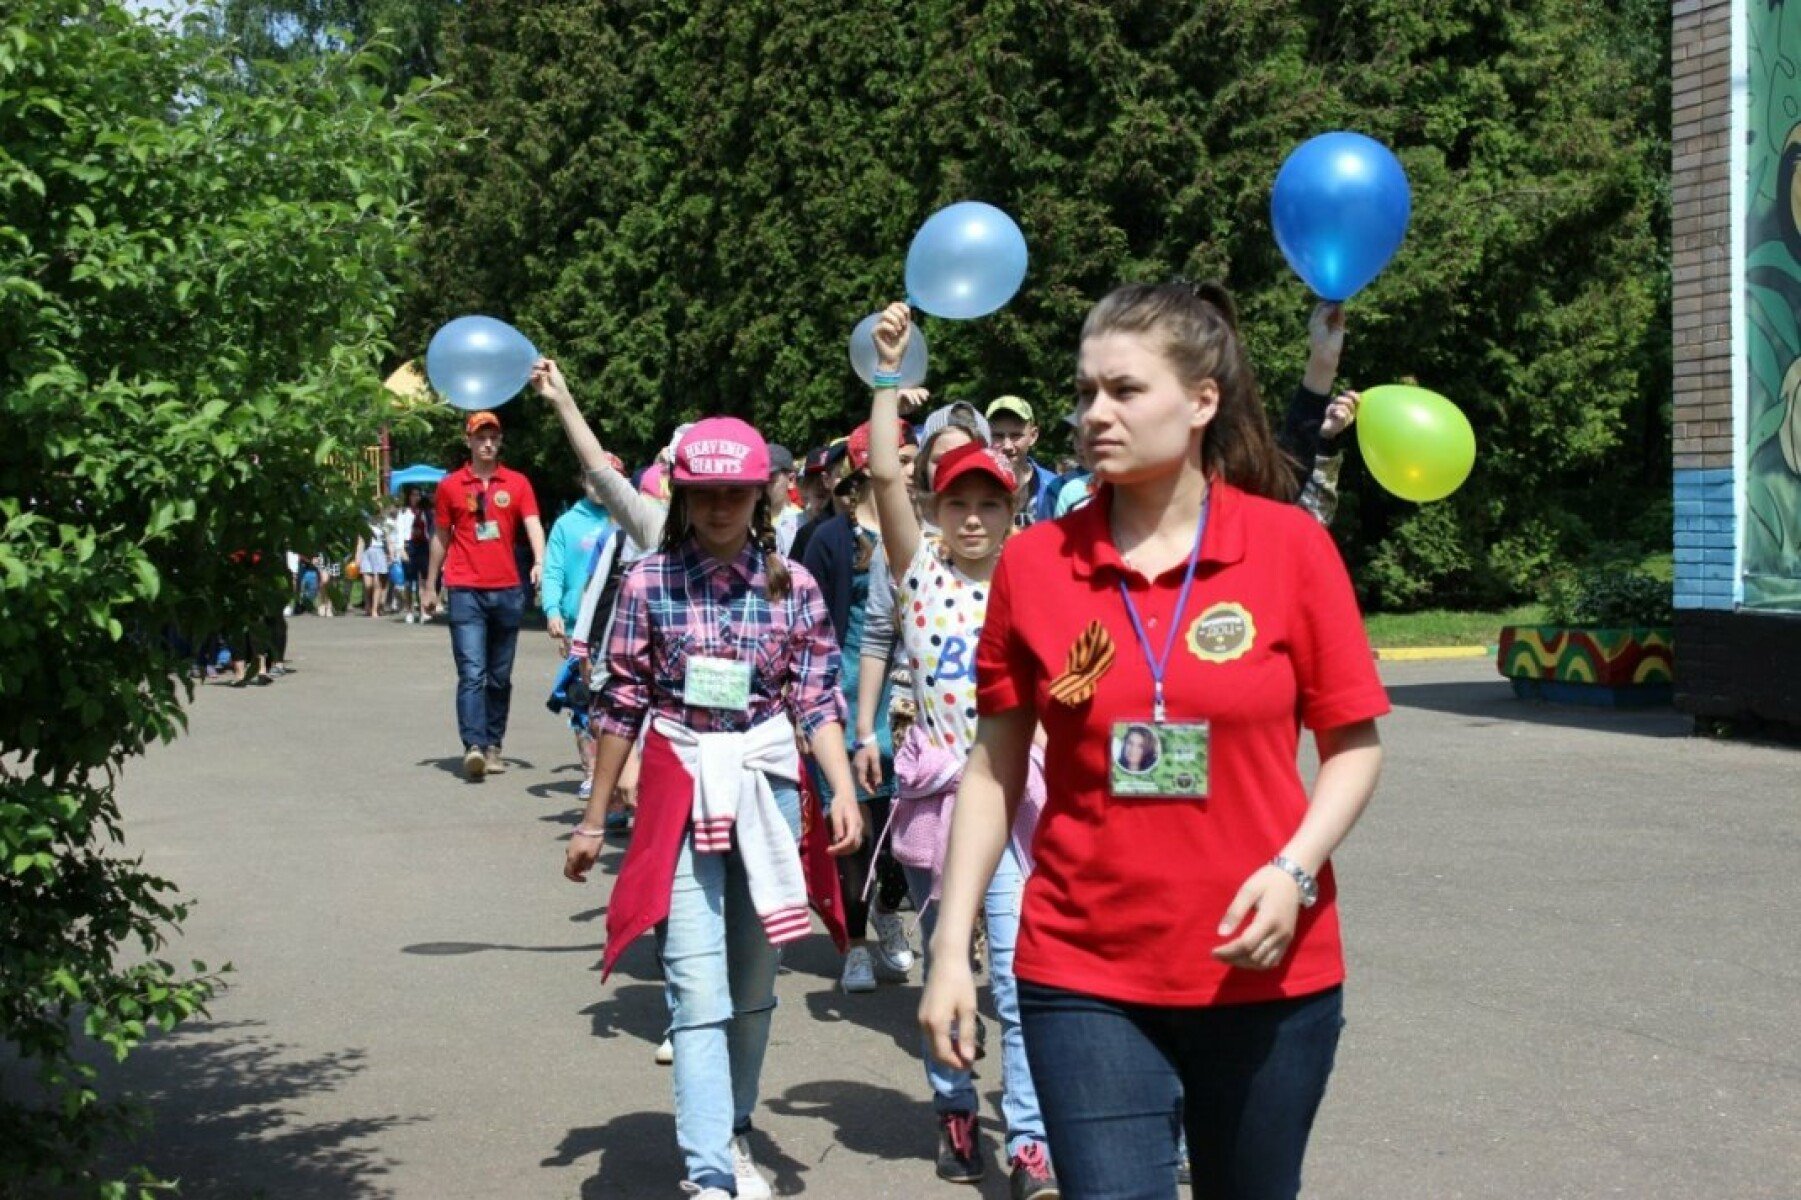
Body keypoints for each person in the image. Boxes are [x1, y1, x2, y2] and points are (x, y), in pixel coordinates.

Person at [918, 280, 1388, 1200]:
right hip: (1083, 970)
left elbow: (1354, 746)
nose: (1094, 413)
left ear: (1201, 401)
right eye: (1086, 390)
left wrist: (1294, 870)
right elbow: (992, 769)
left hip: (1263, 971)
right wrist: (948, 953)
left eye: (1124, 391)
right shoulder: (1034, 562)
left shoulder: (1288, 548)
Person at [562, 417, 863, 1200]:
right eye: (706, 492)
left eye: (736, 491)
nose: (722, 506)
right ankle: (707, 1172)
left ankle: (733, 1126)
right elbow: (621, 701)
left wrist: (840, 789)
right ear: (684, 494)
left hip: (767, 786)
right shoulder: (646, 583)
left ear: (760, 494)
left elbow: (816, 694)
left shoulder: (789, 584)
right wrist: (594, 820)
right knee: (696, 987)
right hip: (680, 783)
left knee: (757, 983)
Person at [863, 305, 1059, 1199]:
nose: (972, 517)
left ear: (1013, 510)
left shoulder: (1038, 576)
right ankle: (951, 1100)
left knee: (1016, 981)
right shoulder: (921, 573)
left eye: (989, 503)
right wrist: (886, 380)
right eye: (958, 502)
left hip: (1019, 806)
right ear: (937, 508)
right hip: (941, 806)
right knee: (955, 963)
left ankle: (1029, 1138)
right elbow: (880, 475)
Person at [802, 421, 916, 995]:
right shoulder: (827, 539)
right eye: (905, 456)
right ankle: (855, 943)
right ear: (869, 467)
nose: (914, 467)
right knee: (853, 827)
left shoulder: (923, 533)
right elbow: (811, 629)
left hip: (912, 702)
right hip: (843, 697)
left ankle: (888, 912)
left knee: (903, 828)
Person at [423, 410, 546, 781]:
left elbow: (532, 523)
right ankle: (473, 746)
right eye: (480, 437)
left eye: (493, 437)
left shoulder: (518, 483)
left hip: (507, 589)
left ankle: (494, 744)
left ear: (500, 441)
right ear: (469, 441)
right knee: (472, 672)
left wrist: (540, 561)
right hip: (464, 589)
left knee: (500, 676)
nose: (487, 443)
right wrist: (430, 584)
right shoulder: (450, 486)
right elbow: (441, 537)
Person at [542, 470, 617, 799]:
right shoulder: (566, 524)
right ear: (583, 482)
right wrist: (553, 611)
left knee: (616, 702)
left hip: (620, 625)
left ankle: (613, 774)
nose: (600, 488)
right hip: (578, 627)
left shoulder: (626, 520)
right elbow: (553, 570)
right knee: (580, 698)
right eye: (594, 481)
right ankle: (590, 772)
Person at [984, 397, 1061, 526]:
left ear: (1033, 436)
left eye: (1016, 436)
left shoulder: (1054, 487)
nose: (1007, 446)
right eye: (998, 436)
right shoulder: (975, 486)